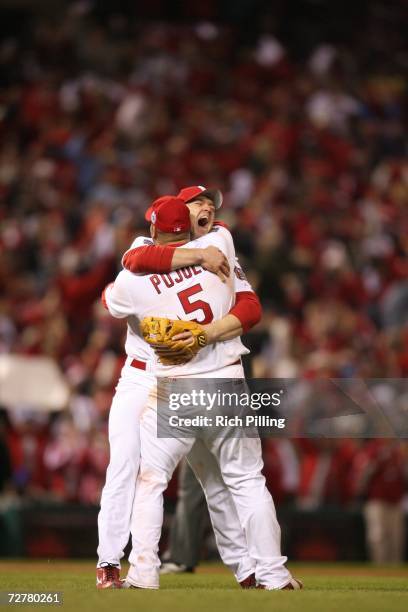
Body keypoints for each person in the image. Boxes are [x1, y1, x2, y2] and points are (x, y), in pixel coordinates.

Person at [104, 196, 301, 590]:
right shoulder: (221, 246)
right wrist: (207, 331)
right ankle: (273, 575)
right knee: (247, 480)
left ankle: (143, 573)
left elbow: (117, 287)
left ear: (155, 230)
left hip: (174, 390)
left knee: (151, 479)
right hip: (225, 381)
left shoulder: (134, 278)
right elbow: (247, 304)